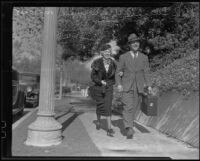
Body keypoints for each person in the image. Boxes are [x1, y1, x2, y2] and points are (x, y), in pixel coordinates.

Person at [115, 33, 152, 139]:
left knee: (134, 107)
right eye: (133, 42)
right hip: (126, 86)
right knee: (128, 107)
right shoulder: (123, 57)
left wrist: (149, 85)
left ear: (139, 44)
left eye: (137, 42)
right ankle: (129, 127)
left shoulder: (144, 57)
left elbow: (146, 72)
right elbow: (118, 71)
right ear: (129, 45)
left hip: (139, 86)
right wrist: (119, 84)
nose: (135, 44)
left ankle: (129, 124)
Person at [90, 43, 117, 137]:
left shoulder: (113, 63)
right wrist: (100, 81)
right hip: (98, 87)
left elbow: (116, 74)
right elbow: (92, 76)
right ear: (102, 53)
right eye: (106, 51)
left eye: (109, 51)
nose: (108, 53)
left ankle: (109, 129)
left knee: (108, 106)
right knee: (100, 105)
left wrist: (120, 75)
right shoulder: (96, 62)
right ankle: (98, 121)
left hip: (109, 87)